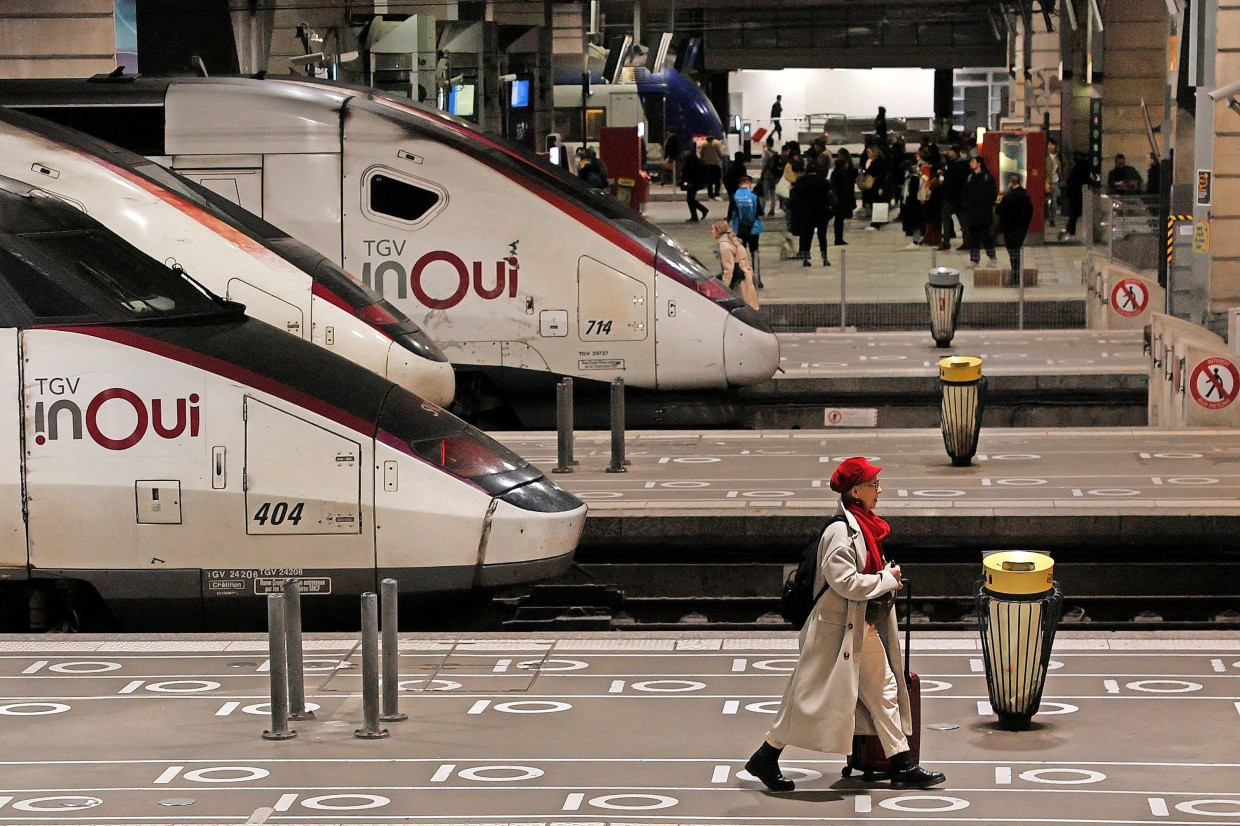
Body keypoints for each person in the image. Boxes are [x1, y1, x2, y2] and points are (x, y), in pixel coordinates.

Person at [744, 457, 946, 793]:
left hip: (857, 628)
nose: (879, 490)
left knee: (884, 693)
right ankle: (766, 755)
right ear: (856, 490)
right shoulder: (841, 531)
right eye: (873, 484)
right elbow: (846, 582)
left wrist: (882, 577)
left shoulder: (863, 525)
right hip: (834, 631)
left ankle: (902, 763)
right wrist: (886, 579)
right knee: (804, 698)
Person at [789, 156, 833, 267]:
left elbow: (795, 198)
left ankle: (805, 258)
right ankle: (824, 257)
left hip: (806, 213)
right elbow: (831, 198)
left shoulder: (801, 181)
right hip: (822, 213)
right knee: (822, 236)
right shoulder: (824, 182)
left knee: (806, 236)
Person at [711, 220, 759, 310]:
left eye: (713, 229)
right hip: (745, 274)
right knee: (750, 305)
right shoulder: (732, 239)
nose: (711, 232)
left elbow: (728, 268)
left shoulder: (724, 246)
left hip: (739, 280)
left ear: (719, 231)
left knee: (743, 308)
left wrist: (724, 288)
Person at [995, 173, 1034, 282]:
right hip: (1021, 228)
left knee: (1012, 251)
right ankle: (1017, 273)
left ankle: (1015, 274)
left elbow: (998, 211)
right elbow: (1029, 212)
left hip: (1009, 228)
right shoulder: (1026, 196)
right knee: (1017, 250)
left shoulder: (1008, 197)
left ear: (1010, 183)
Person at [963, 155, 998, 268]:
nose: (970, 164)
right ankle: (974, 260)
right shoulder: (969, 178)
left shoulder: (987, 177)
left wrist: (986, 206)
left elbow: (992, 194)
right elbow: (965, 193)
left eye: (973, 162)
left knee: (985, 236)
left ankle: (992, 257)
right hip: (972, 213)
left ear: (979, 163)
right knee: (973, 237)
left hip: (984, 214)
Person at [731, 175, 765, 287]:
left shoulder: (734, 196)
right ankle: (757, 279)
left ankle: (743, 278)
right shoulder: (754, 195)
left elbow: (730, 213)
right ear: (749, 183)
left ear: (739, 184)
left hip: (739, 229)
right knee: (754, 252)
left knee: (741, 254)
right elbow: (759, 212)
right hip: (753, 229)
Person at [939, 145, 970, 250]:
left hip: (954, 196)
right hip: (957, 197)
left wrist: (945, 174)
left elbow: (954, 179)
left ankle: (947, 242)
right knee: (962, 220)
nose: (948, 152)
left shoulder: (959, 165)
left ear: (956, 152)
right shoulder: (956, 163)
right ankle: (965, 241)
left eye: (951, 151)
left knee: (949, 218)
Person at [830, 149, 858, 246]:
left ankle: (839, 238)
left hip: (839, 201)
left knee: (839, 220)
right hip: (840, 201)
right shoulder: (839, 174)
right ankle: (838, 239)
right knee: (839, 221)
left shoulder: (837, 173)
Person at [1064, 151, 1092, 239]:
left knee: (1074, 213)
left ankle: (1071, 229)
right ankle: (1071, 229)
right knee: (1076, 213)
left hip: (1074, 193)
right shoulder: (1085, 167)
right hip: (1078, 193)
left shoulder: (1077, 167)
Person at [682, 147, 709, 222]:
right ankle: (699, 212)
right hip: (694, 182)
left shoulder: (692, 160)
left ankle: (697, 214)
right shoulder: (693, 159)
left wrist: (690, 182)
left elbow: (691, 172)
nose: (685, 153)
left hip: (693, 183)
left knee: (690, 199)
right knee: (690, 199)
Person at [700, 135, 725, 199]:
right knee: (717, 180)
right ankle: (716, 193)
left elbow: (701, 154)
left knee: (709, 181)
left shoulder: (704, 144)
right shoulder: (717, 143)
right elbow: (720, 153)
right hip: (716, 164)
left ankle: (710, 193)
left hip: (707, 164)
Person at [1045, 138, 1062, 228]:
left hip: (1055, 181)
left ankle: (1052, 219)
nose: (1049, 146)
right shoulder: (1046, 157)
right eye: (1048, 144)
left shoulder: (1058, 157)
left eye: (1051, 144)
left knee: (1054, 202)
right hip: (1047, 181)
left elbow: (1060, 169)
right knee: (1045, 201)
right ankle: (1045, 217)